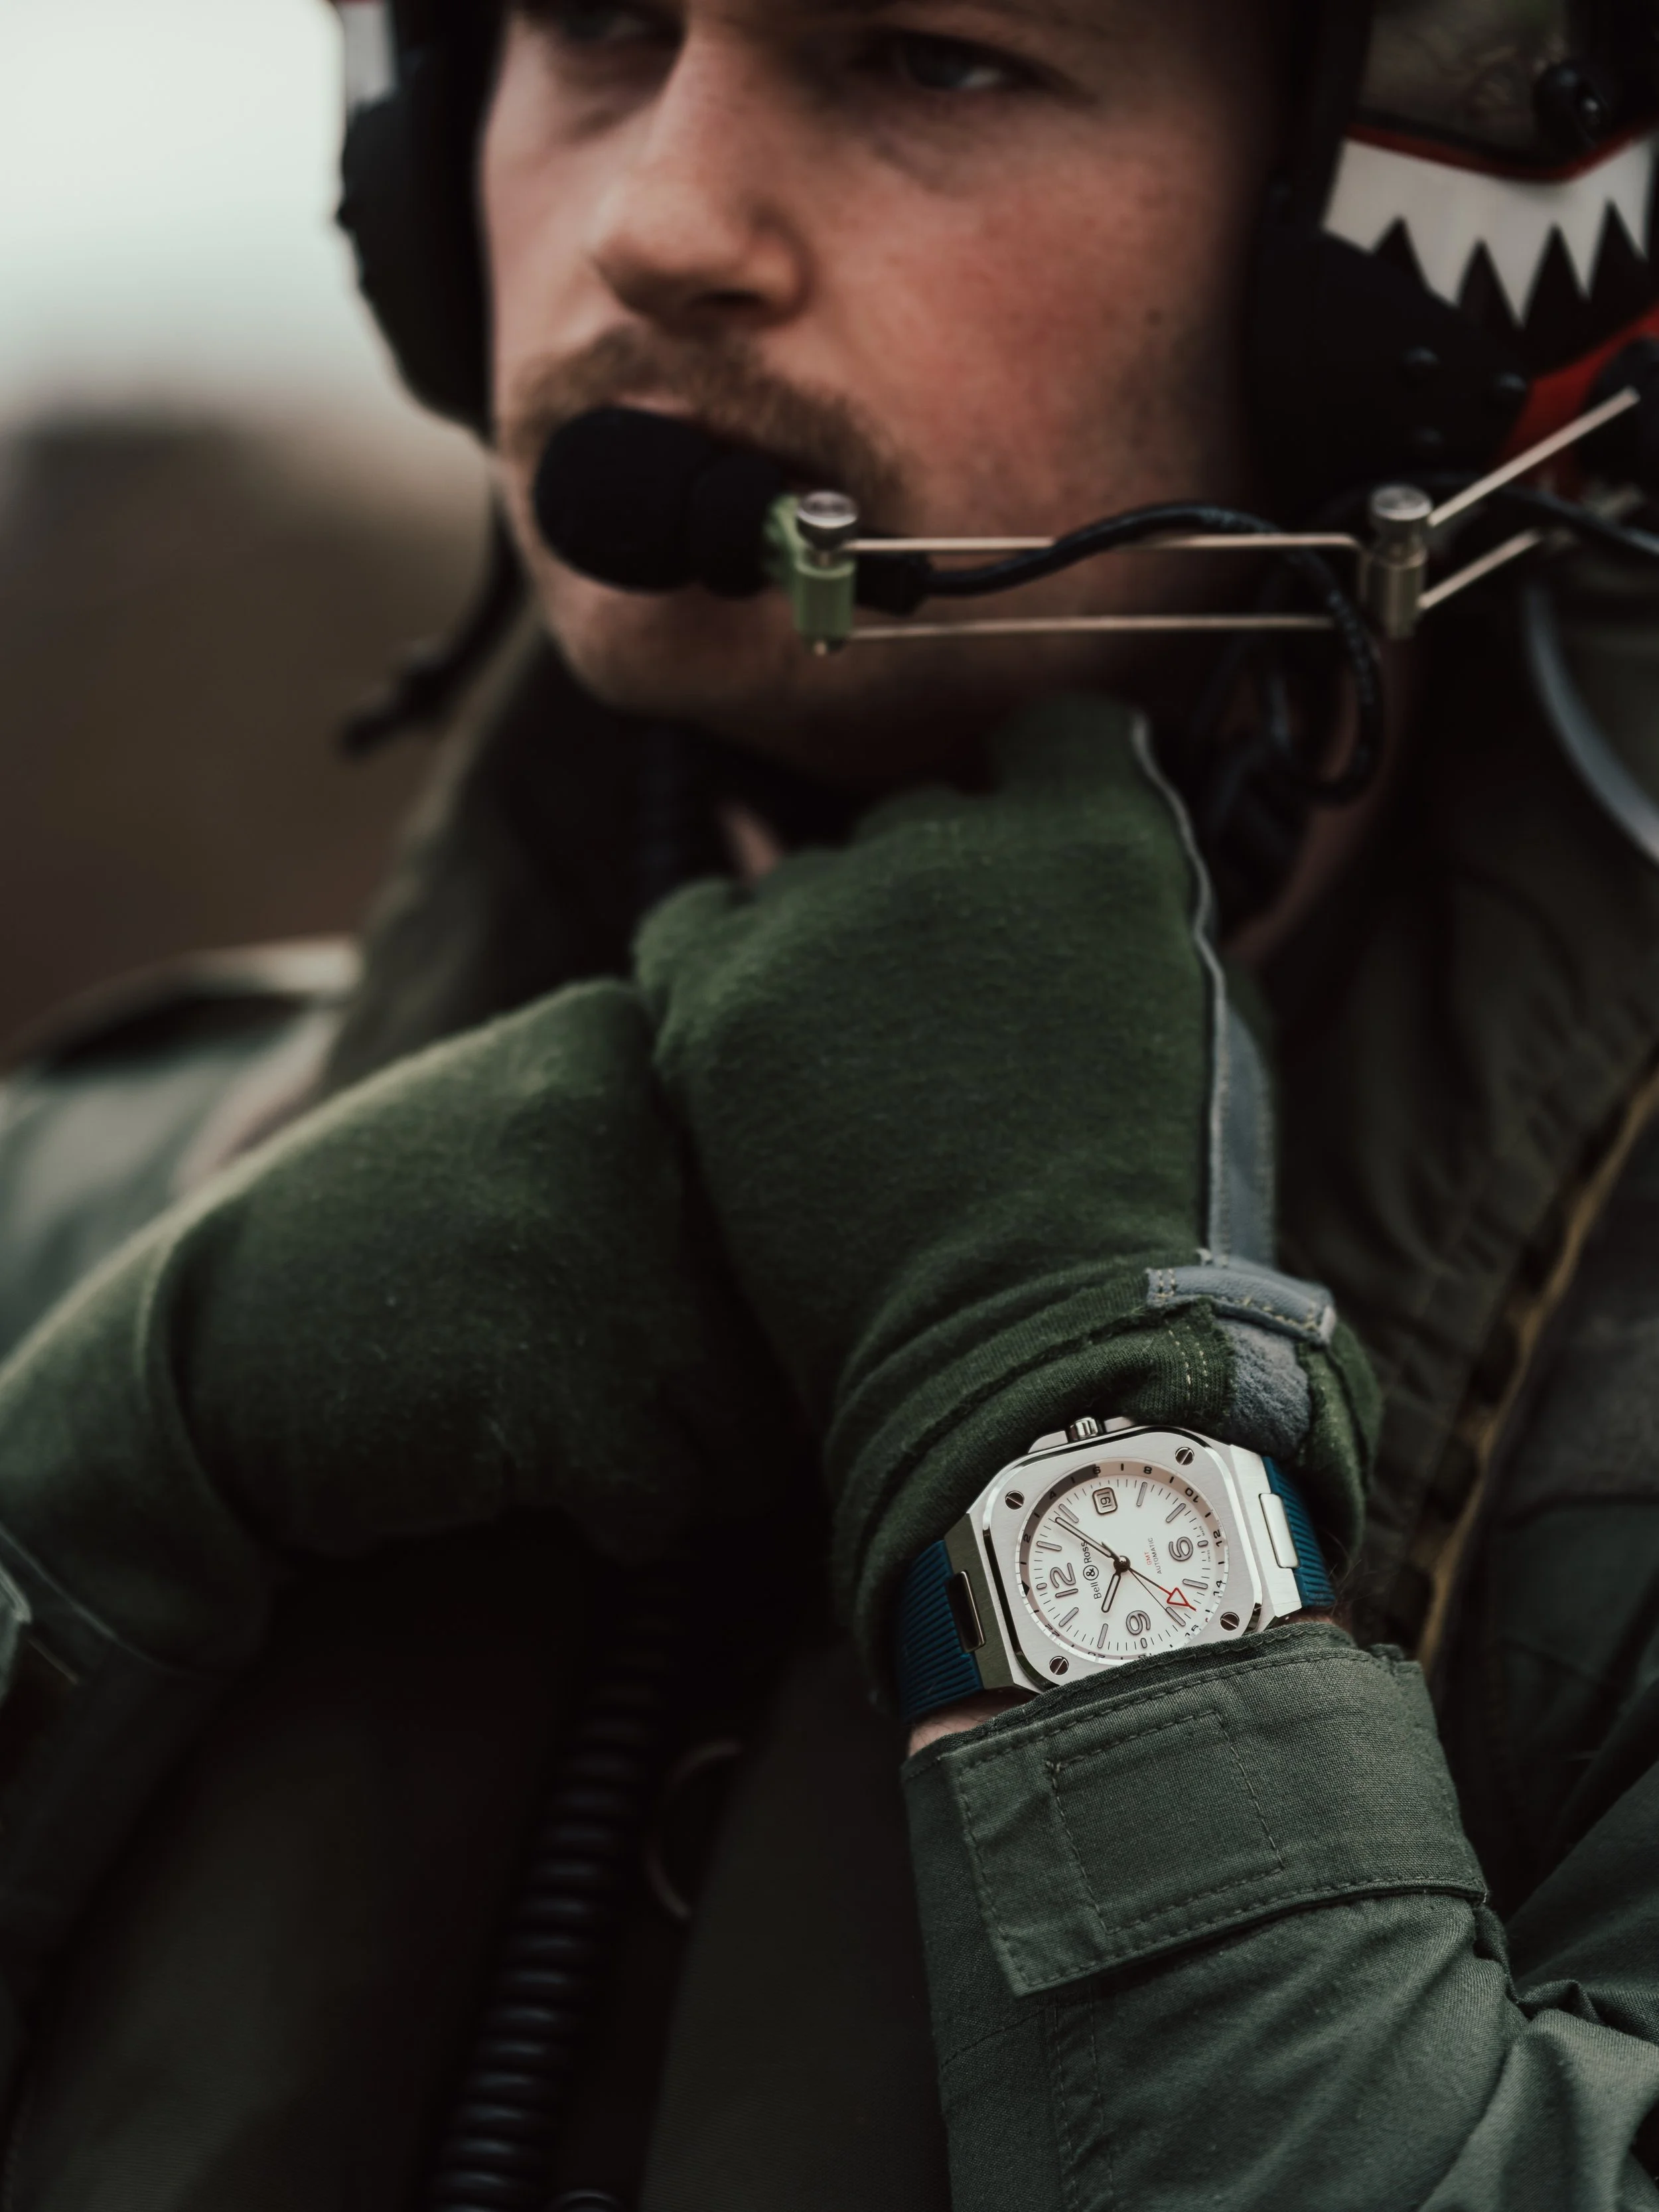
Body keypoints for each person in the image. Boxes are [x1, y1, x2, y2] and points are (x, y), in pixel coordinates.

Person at [3, 1, 1659, 2207]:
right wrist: (95, 1489)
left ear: (1400, 233)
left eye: (923, 57)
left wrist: (1083, 1442)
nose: (659, 222)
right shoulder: (74, 1187)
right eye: (587, 27)